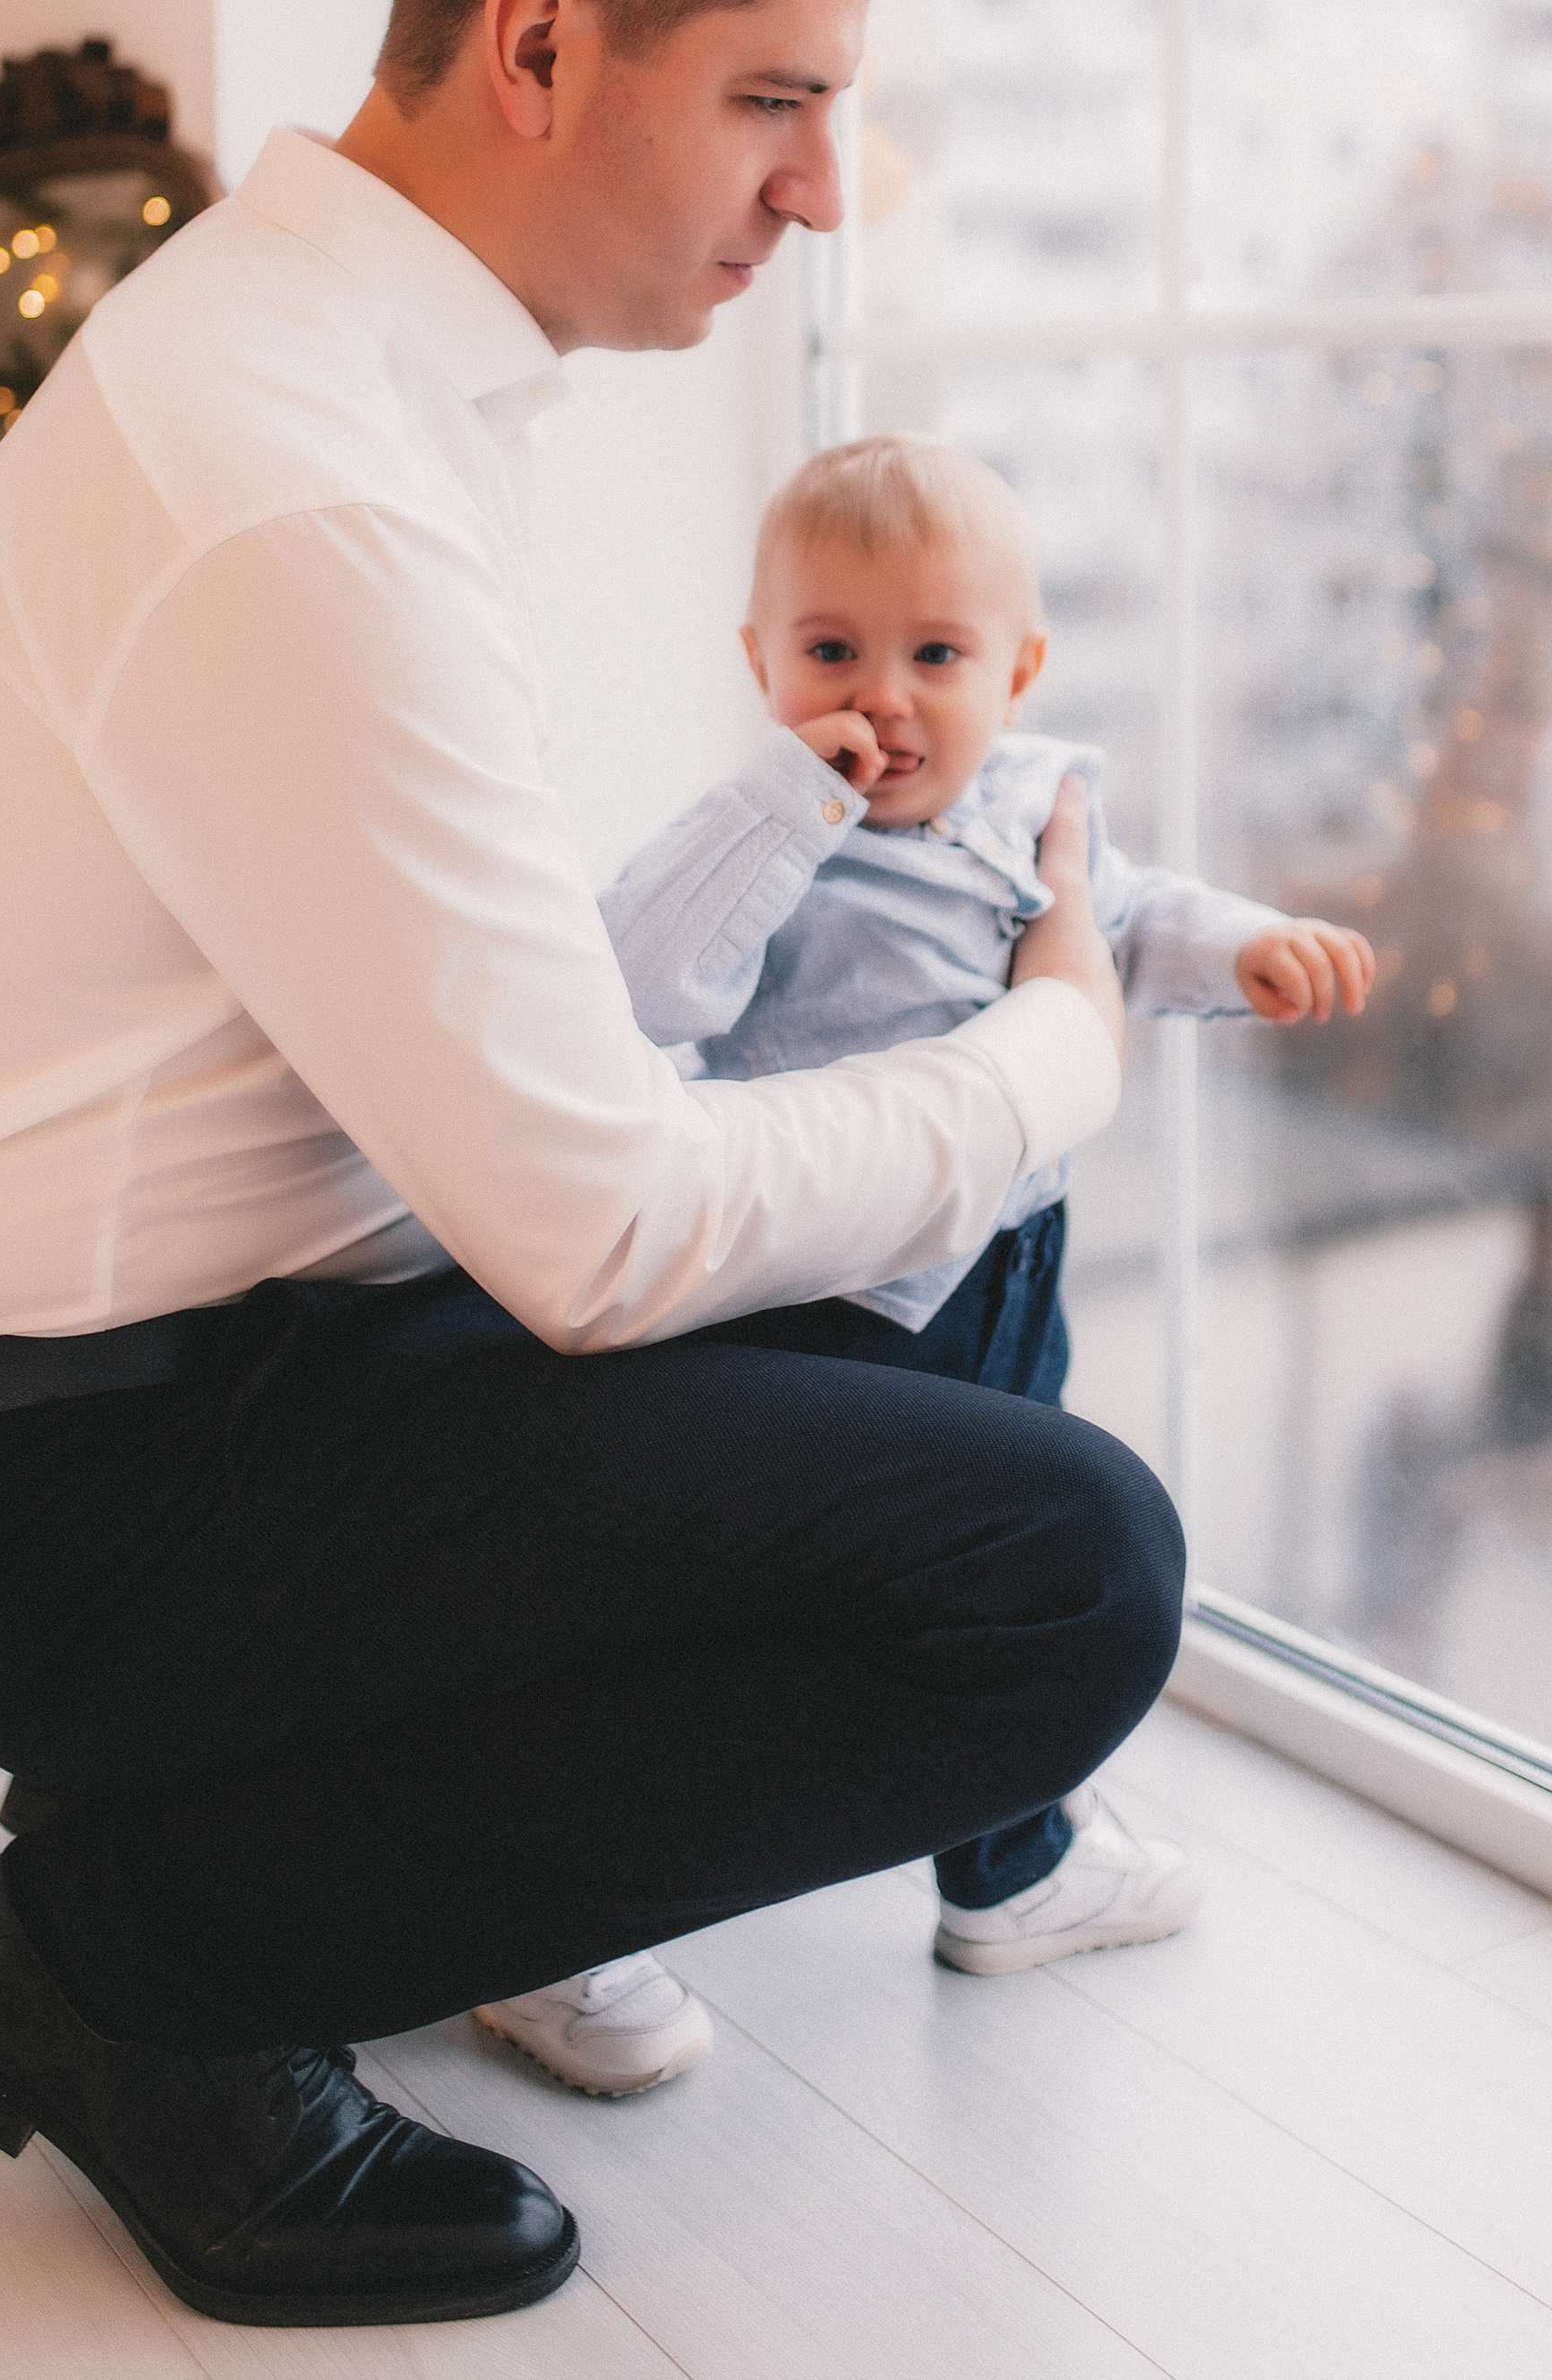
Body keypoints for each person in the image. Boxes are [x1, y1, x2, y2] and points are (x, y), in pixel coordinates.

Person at [0, 0, 1180, 2334]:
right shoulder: (294, 465)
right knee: (1064, 1575)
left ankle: (250, 1831)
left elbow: (505, 1101)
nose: (821, 190)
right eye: (774, 95)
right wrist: (1053, 1050)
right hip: (84, 1484)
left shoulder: (344, 372)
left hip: (222, 1366)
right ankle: (137, 1958)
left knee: (953, 1339)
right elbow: (591, 1231)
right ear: (540, 43)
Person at [467, 434, 1371, 2090]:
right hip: (818, 1298)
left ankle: (1011, 1865)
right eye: (831, 652)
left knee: (1007, 1581)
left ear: (1017, 671)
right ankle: (547, 1912)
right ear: (760, 666)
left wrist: (1253, 948)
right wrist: (788, 795)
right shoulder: (773, 837)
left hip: (1003, 1275)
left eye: (935, 656)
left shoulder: (1041, 803)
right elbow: (632, 979)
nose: (881, 697)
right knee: (737, 1611)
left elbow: (1133, 921)